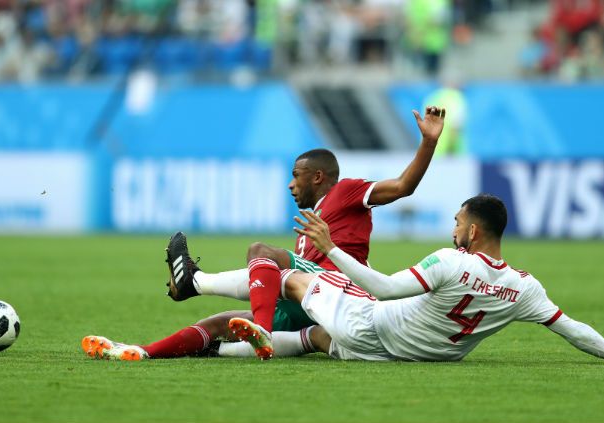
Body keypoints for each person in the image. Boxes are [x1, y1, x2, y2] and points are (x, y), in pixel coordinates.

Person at [81, 105, 447, 361]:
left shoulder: (347, 190)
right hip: (307, 300)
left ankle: (211, 293)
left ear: (318, 177)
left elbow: (402, 186)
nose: (290, 185)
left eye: (296, 176)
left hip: (339, 292)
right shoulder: (310, 222)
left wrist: (428, 142)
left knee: (262, 251)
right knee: (222, 324)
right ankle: (142, 352)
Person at [229, 194, 604, 365]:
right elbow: (573, 330)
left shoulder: (450, 259)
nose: (453, 228)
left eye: (457, 221)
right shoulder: (524, 287)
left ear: (474, 230)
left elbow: (385, 288)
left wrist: (329, 249)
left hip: (373, 328)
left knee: (292, 278)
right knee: (319, 339)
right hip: (409, 358)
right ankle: (223, 347)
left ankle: (229, 306)